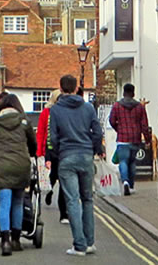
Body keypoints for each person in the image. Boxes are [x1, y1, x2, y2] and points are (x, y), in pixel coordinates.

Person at [50, 75, 104, 256]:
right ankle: (89, 242)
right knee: (87, 199)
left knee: (72, 201)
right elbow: (97, 131)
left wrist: (59, 152)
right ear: (76, 88)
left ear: (61, 88)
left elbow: (54, 137)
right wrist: (95, 148)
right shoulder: (88, 108)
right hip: (86, 156)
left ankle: (79, 245)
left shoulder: (56, 110)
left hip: (67, 156)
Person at [0, 94, 37, 256]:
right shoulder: (24, 123)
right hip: (20, 165)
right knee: (18, 202)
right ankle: (16, 240)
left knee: (4, 203)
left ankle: (5, 241)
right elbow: (33, 145)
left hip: (0, 165)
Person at [109, 83, 151, 196]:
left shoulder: (117, 106)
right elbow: (144, 125)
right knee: (132, 162)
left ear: (123, 92)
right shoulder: (140, 107)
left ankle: (125, 182)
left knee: (123, 161)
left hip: (122, 138)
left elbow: (112, 121)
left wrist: (118, 129)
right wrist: (147, 139)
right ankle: (131, 185)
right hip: (135, 138)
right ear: (133, 93)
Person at [36, 89, 68, 223]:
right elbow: (41, 131)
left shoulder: (66, 113)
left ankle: (63, 214)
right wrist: (39, 152)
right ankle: (49, 191)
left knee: (62, 181)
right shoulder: (46, 112)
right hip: (49, 150)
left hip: (63, 151)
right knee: (53, 175)